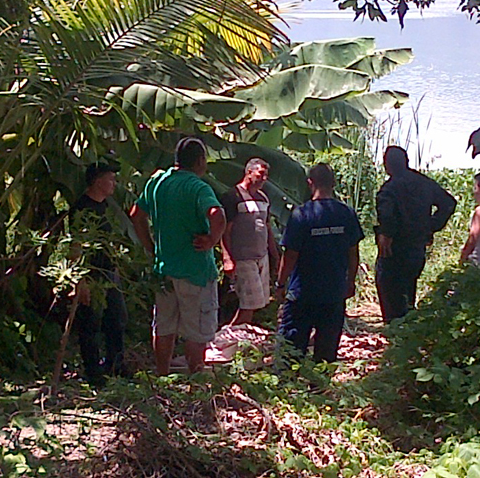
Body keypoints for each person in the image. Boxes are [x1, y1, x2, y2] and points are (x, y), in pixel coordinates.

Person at [130, 137, 226, 374]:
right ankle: (196, 381)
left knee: (164, 327)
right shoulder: (197, 187)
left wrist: (150, 246)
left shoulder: (157, 182)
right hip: (195, 270)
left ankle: (162, 375)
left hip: (165, 269)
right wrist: (212, 240)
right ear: (200, 161)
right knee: (196, 331)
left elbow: (136, 214)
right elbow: (217, 214)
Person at [275, 163, 364, 363]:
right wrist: (350, 282)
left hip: (302, 294)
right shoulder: (346, 213)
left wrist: (280, 284)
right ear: (333, 183)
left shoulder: (301, 215)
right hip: (333, 292)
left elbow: (290, 255)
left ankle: (287, 389)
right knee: (327, 349)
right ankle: (320, 388)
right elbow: (353, 253)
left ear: (310, 183)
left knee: (291, 349)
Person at [375, 146, 457, 323]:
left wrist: (386, 234)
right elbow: (448, 203)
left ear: (387, 165)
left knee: (389, 292)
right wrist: (430, 226)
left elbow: (387, 215)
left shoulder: (389, 189)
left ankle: (394, 332)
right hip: (416, 247)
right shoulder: (424, 183)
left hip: (394, 248)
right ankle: (406, 329)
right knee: (407, 289)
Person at [70, 161, 128, 382]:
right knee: (90, 323)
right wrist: (79, 279)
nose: (114, 183)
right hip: (91, 272)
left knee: (117, 319)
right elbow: (75, 244)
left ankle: (115, 365)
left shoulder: (106, 206)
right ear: (97, 181)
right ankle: (93, 372)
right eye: (110, 178)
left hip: (108, 271)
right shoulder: (82, 208)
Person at [220, 158, 279, 325]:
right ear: (249, 172)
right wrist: (227, 257)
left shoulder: (263, 199)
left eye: (266, 175)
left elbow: (267, 228)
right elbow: (225, 230)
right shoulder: (233, 197)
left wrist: (274, 254)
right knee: (249, 304)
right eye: (260, 174)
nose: (264, 179)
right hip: (242, 258)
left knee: (256, 303)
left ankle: (239, 339)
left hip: (261, 257)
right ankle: (227, 337)